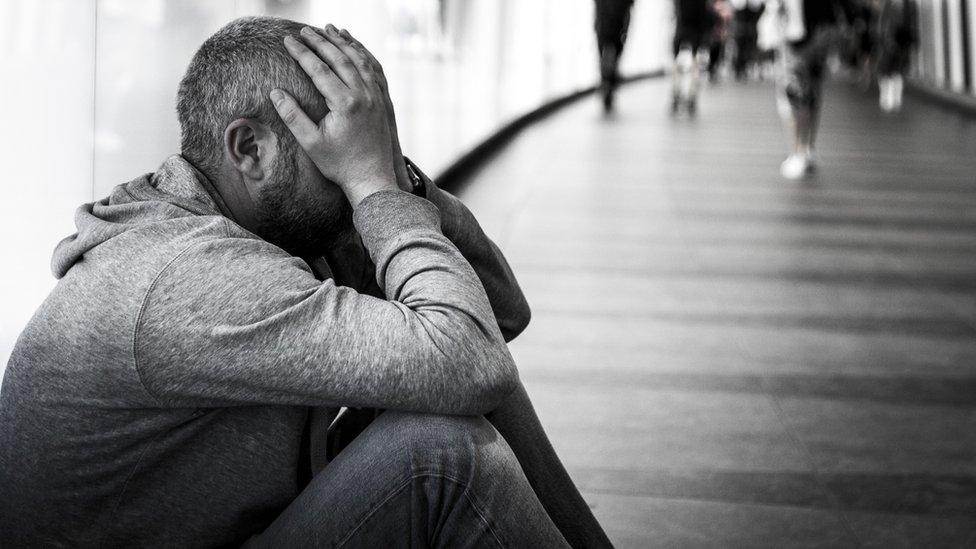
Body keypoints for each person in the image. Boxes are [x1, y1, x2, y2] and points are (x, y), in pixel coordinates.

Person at [0, 17, 613, 548]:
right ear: (251, 150)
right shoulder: (186, 275)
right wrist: (372, 189)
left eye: (364, 147)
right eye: (335, 150)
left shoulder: (281, 221)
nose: (353, 168)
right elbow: (476, 355)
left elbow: (499, 316)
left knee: (454, 380)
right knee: (443, 456)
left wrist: (398, 182)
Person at [776, 0, 855, 180]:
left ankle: (797, 152)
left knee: (795, 96)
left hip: (797, 41)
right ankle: (808, 149)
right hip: (821, 37)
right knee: (812, 94)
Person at [671, 0, 717, 115]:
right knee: (694, 66)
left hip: (681, 32)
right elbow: (706, 16)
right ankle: (691, 95)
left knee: (678, 64)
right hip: (696, 34)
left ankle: (676, 93)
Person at [875, 0, 916, 112]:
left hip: (892, 43)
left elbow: (882, 26)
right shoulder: (908, 5)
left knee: (886, 71)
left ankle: (887, 100)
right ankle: (895, 100)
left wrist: (884, 40)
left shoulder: (888, 6)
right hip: (901, 43)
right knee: (897, 71)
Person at [594, 0, 635, 112]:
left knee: (606, 55)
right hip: (615, 27)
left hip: (605, 27)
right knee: (613, 56)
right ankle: (609, 83)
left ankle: (607, 82)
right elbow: (628, 11)